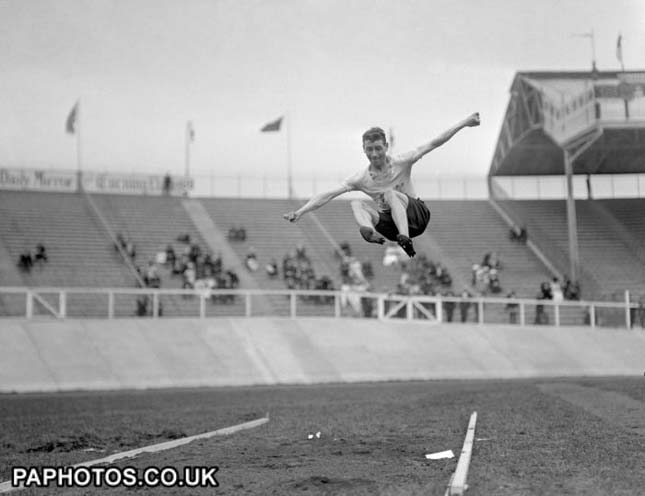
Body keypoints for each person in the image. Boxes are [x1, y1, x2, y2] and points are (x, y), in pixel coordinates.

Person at [283, 113, 480, 257]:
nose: (375, 154)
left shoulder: (403, 161)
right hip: (390, 226)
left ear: (386, 146)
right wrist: (301, 212)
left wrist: (465, 123)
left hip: (416, 215)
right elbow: (328, 195)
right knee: (356, 204)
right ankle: (369, 232)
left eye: (378, 148)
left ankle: (405, 237)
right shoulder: (361, 178)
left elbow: (434, 142)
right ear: (363, 150)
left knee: (389, 194)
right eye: (370, 149)